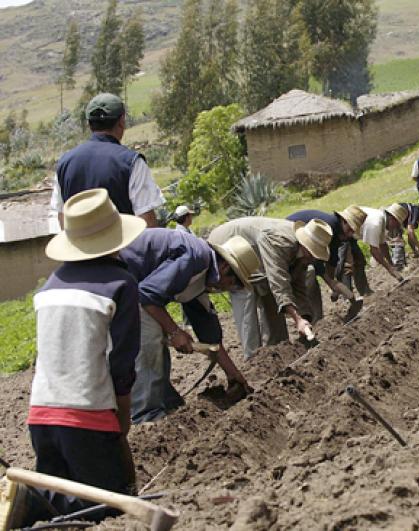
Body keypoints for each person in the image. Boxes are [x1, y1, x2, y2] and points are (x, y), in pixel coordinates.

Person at [21, 188, 146, 525]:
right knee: (110, 511)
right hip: (87, 417)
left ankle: (29, 502)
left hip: (41, 416)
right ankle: (30, 503)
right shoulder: (121, 283)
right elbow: (121, 362)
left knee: (56, 508)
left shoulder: (51, 285)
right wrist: (122, 416)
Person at [120, 229, 257, 423]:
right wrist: (175, 332)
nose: (228, 290)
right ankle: (146, 414)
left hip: (134, 288)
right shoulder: (195, 258)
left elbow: (210, 338)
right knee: (150, 336)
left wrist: (234, 375)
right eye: (234, 285)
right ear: (226, 268)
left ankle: (167, 402)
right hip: (117, 280)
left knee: (155, 333)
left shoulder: (202, 279)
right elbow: (147, 296)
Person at [208, 218, 334, 358]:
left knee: (272, 300)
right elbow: (278, 282)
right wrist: (297, 319)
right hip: (230, 249)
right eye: (314, 253)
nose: (315, 259)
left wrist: (304, 317)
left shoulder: (302, 253)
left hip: (257, 257)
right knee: (247, 300)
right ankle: (254, 359)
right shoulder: (280, 242)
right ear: (307, 247)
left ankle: (276, 351)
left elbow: (298, 285)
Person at [51, 93, 164, 228]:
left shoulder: (64, 163)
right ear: (122, 121)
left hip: (80, 247)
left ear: (89, 124)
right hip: (123, 247)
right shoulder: (131, 162)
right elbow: (146, 221)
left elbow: (62, 217)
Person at [286, 206, 367, 323]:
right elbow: (316, 260)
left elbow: (331, 258)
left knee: (311, 274)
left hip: (305, 247)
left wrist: (333, 284)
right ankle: (311, 319)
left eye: (353, 232)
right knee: (309, 274)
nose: (350, 234)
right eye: (350, 230)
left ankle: (317, 319)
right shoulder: (328, 227)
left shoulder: (337, 230)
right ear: (344, 221)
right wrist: (330, 281)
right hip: (293, 241)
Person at [359, 204, 408, 282]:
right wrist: (390, 269)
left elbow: (382, 244)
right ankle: (363, 292)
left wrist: (391, 264)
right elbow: (374, 251)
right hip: (343, 231)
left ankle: (365, 291)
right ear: (392, 218)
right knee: (353, 263)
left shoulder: (383, 220)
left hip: (350, 231)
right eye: (397, 225)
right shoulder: (375, 223)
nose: (395, 228)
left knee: (358, 260)